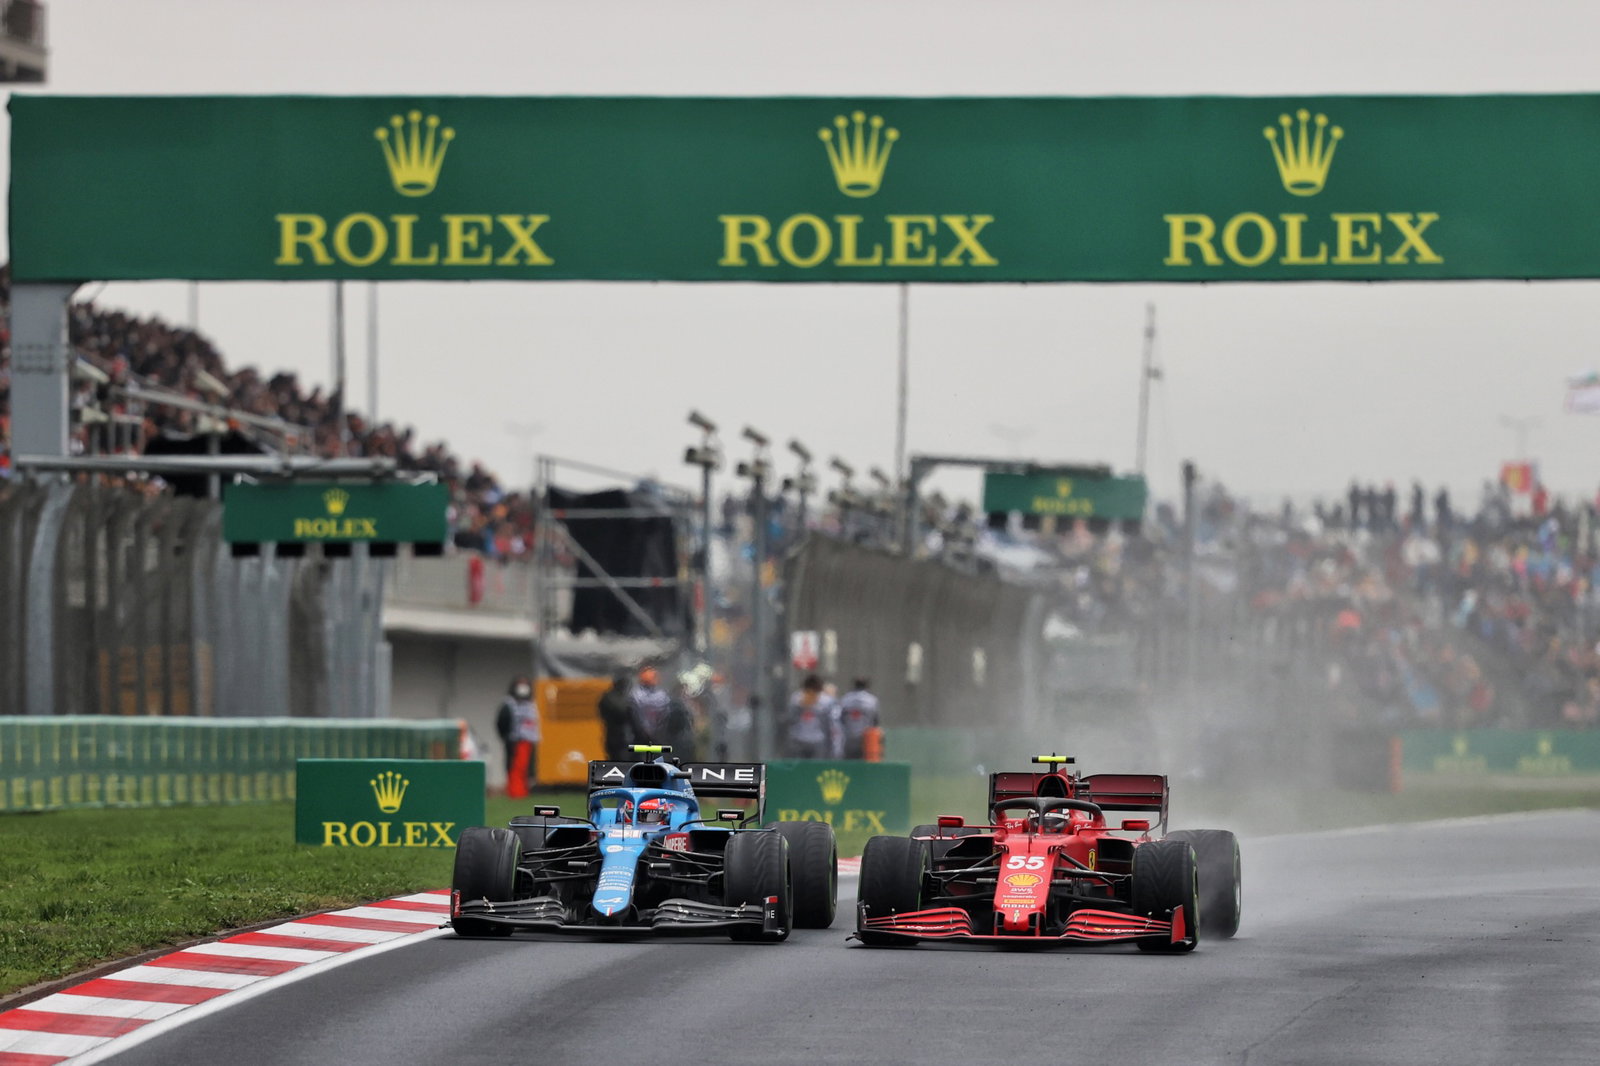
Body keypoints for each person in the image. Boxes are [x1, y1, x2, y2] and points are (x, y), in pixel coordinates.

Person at [498, 676, 540, 797]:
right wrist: (506, 737)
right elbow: (502, 722)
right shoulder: (509, 704)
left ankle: (523, 791)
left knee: (526, 768)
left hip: (528, 741)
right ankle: (515, 792)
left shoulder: (531, 704)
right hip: (514, 741)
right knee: (514, 767)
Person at [784, 674, 839, 759]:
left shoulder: (825, 701)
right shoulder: (797, 699)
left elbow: (829, 723)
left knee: (810, 766)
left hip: (810, 739)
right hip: (807, 739)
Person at [628, 667, 674, 747]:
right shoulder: (662, 696)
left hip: (641, 736)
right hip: (655, 735)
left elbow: (633, 715)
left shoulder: (635, 695)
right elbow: (667, 715)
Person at [837, 678, 880, 760]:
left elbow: (839, 719)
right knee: (864, 764)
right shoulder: (872, 700)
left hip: (848, 737)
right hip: (865, 738)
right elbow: (875, 721)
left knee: (848, 764)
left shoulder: (845, 699)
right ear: (866, 686)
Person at [597, 670, 633, 760]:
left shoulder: (610, 696)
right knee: (619, 759)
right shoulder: (612, 697)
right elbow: (622, 711)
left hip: (617, 733)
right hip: (617, 733)